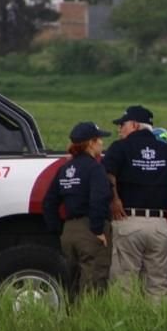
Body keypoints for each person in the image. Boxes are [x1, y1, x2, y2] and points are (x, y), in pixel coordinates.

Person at [103, 105, 167, 303]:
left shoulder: (119, 148)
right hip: (160, 225)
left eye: (122, 125)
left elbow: (107, 172)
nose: (119, 129)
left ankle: (126, 328)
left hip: (127, 221)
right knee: (158, 285)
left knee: (125, 283)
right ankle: (155, 328)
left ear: (133, 125)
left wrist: (115, 199)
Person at [42, 121, 113, 298]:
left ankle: (72, 318)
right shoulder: (95, 168)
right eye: (99, 140)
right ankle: (89, 321)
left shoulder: (65, 169)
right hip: (90, 230)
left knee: (73, 281)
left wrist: (58, 229)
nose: (101, 144)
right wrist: (97, 230)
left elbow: (49, 202)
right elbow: (99, 198)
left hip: (69, 231)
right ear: (91, 143)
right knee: (94, 282)